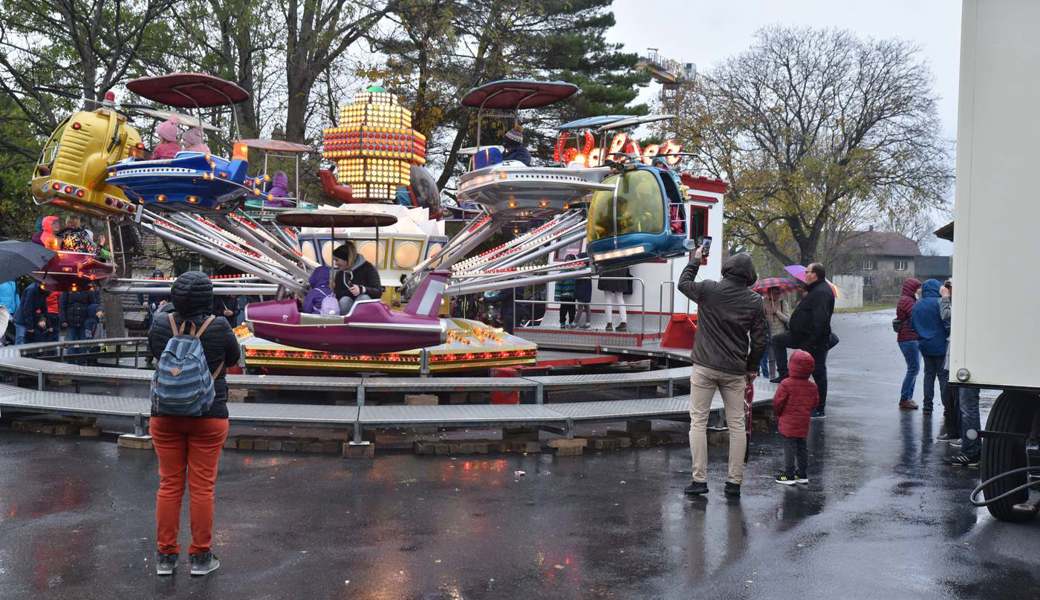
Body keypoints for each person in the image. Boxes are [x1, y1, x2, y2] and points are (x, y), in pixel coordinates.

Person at [147, 272, 239, 577]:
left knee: (169, 485)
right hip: (209, 414)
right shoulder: (220, 326)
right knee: (202, 487)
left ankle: (165, 556)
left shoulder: (161, 323)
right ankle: (200, 557)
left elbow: (157, 355)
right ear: (207, 298)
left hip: (166, 414)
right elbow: (233, 358)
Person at [678, 246, 767, 498]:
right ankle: (734, 483)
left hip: (705, 366)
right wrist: (751, 367)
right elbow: (760, 340)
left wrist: (694, 261)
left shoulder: (708, 290)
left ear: (727, 270)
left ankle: (699, 480)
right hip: (735, 370)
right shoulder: (754, 301)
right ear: (749, 276)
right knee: (737, 425)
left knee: (698, 422)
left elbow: (683, 284)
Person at [771, 263, 834, 419]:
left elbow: (821, 321)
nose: (805, 274)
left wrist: (810, 345)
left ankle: (820, 408)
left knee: (818, 372)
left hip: (814, 341)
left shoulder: (822, 293)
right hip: (800, 336)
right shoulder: (814, 290)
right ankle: (784, 374)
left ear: (816, 274)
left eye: (807, 272)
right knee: (777, 340)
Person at [773, 350, 819, 485]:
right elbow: (815, 403)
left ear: (791, 365)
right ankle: (802, 473)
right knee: (802, 446)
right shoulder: (812, 386)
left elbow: (778, 402)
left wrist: (778, 413)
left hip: (788, 421)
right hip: (803, 421)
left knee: (789, 446)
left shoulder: (786, 384)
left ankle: (788, 474)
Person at [910, 279, 950, 415]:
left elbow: (913, 325)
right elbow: (947, 324)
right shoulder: (940, 303)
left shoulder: (917, 305)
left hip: (925, 346)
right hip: (941, 346)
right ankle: (947, 407)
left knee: (928, 376)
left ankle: (927, 407)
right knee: (943, 378)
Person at [331, 242, 382, 315]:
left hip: (366, 310)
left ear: (346, 260)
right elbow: (337, 293)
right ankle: (344, 324)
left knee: (363, 298)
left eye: (337, 260)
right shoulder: (340, 274)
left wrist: (362, 289)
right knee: (344, 301)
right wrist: (350, 292)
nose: (335, 263)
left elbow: (378, 291)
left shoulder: (368, 268)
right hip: (347, 306)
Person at [896, 278, 922, 410]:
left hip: (911, 338)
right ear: (912, 288)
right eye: (918, 287)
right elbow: (917, 315)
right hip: (908, 339)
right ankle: (905, 398)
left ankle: (908, 397)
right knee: (913, 368)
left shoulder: (910, 299)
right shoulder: (906, 300)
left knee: (914, 369)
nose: (920, 289)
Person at [761, 287, 791, 378]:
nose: (777, 295)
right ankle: (772, 377)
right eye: (774, 293)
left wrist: (777, 312)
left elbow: (787, 319)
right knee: (771, 358)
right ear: (769, 293)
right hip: (768, 333)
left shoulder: (783, 303)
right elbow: (759, 317)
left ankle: (783, 375)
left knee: (781, 357)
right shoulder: (763, 303)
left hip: (780, 334)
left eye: (778, 293)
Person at [60, 288, 100, 352]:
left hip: (84, 322)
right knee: (71, 343)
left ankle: (82, 360)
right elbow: (62, 305)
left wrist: (91, 318)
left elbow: (93, 305)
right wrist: (63, 320)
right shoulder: (67, 290)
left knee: (83, 344)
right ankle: (71, 360)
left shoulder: (88, 290)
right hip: (71, 321)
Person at [598, 266, 632, 332]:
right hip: (621, 271)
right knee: (620, 297)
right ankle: (623, 322)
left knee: (608, 298)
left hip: (607, 270)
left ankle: (609, 324)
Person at [555, 256, 577, 328]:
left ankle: (571, 322)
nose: (569, 264)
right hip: (564, 295)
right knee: (563, 310)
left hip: (572, 295)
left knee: (572, 310)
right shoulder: (562, 273)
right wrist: (557, 296)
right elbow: (558, 285)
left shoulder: (575, 272)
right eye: (567, 262)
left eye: (571, 262)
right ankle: (562, 322)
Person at [574, 254, 593, 329]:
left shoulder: (584, 269)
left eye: (578, 260)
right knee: (586, 306)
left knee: (580, 307)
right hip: (585, 290)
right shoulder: (587, 269)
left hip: (582, 290)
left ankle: (575, 323)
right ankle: (588, 322)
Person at [0, 279, 19, 345]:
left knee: (10, 332)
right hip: (2, 311)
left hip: (12, 312)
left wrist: (18, 309)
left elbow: (16, 296)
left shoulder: (13, 282)